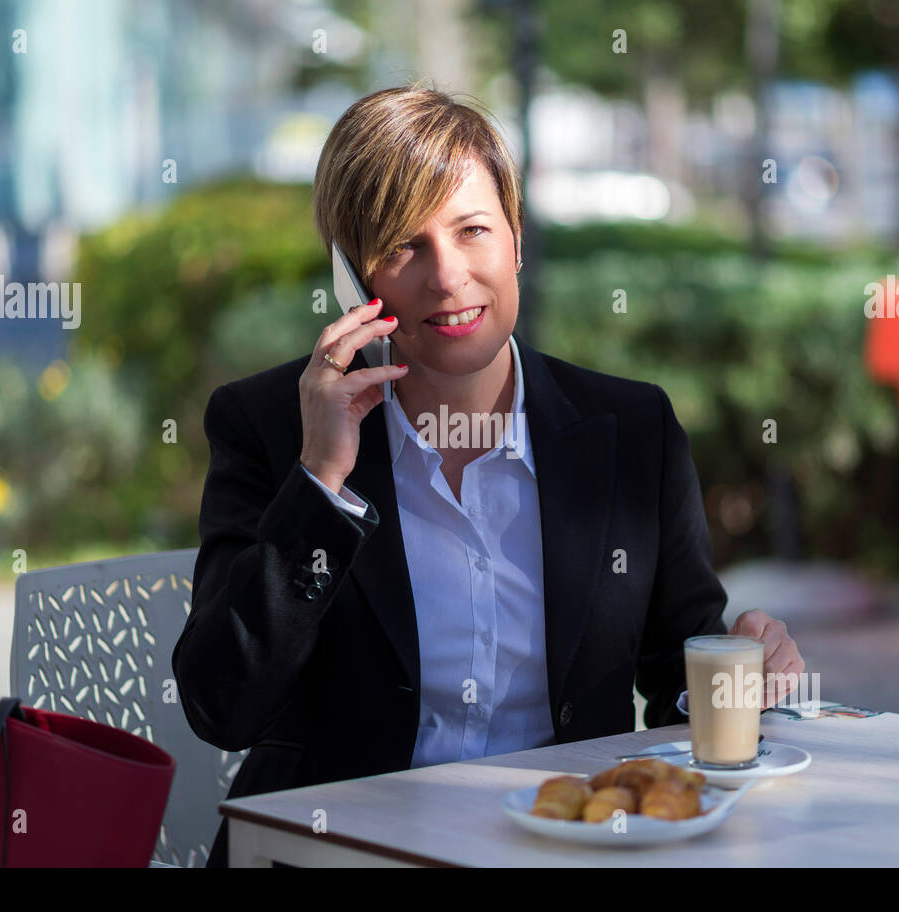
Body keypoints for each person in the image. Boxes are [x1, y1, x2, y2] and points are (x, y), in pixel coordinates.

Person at [171, 83, 805, 868]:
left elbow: (678, 671)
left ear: (516, 239)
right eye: (405, 247)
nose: (448, 276)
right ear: (348, 277)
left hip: (564, 846)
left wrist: (744, 668)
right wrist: (320, 484)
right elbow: (221, 706)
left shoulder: (632, 432)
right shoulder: (271, 427)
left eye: (473, 230)